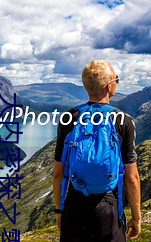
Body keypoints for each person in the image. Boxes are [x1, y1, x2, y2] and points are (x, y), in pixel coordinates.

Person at [53, 60, 141, 242]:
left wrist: (59, 210)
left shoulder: (69, 117)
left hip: (75, 204)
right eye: (117, 79)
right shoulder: (123, 121)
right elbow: (131, 177)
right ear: (109, 86)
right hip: (108, 207)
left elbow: (58, 173)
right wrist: (136, 217)